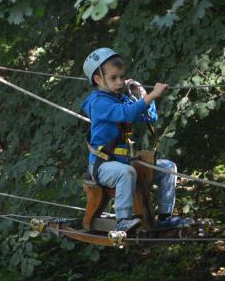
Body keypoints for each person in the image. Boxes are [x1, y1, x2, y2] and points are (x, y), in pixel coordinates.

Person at [81, 47, 192, 233]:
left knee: (167, 167)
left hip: (125, 162)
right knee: (126, 173)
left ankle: (165, 216)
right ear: (98, 79)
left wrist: (142, 95)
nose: (120, 82)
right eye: (113, 78)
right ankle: (123, 220)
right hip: (102, 166)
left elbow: (149, 118)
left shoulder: (121, 99)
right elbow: (127, 114)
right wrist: (151, 96)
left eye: (121, 77)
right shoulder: (98, 103)